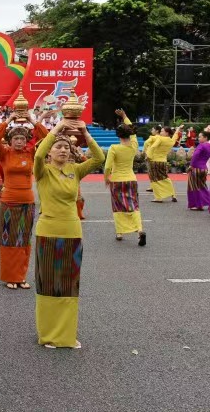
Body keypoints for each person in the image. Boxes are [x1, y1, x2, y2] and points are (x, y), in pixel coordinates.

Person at [33, 119, 104, 349]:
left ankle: (66, 335)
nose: (63, 150)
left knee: (69, 284)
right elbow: (38, 155)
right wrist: (56, 129)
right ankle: (48, 334)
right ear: (50, 151)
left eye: (66, 147)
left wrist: (85, 132)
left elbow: (99, 158)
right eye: (58, 147)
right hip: (48, 231)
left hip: (72, 232)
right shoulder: (43, 171)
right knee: (48, 283)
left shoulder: (75, 170)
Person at [0, 114, 50, 289]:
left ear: (26, 141)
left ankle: (20, 276)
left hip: (27, 203)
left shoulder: (31, 153)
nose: (19, 141)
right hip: (8, 202)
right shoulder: (4, 154)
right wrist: (9, 120)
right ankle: (10, 276)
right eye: (15, 138)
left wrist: (32, 120)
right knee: (8, 240)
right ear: (10, 140)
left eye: (22, 139)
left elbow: (47, 138)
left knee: (24, 239)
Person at [103, 109, 146, 245]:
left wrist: (106, 178)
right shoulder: (134, 146)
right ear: (130, 134)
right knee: (134, 205)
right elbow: (133, 132)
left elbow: (107, 167)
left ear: (118, 135)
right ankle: (139, 230)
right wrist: (125, 116)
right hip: (131, 179)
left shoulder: (114, 148)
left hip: (117, 180)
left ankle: (120, 232)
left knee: (118, 206)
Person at [145, 125, 183, 203]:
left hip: (154, 161)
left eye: (162, 131)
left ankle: (158, 198)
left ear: (167, 133)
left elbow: (152, 147)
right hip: (163, 162)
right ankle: (173, 195)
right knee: (165, 178)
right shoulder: (171, 141)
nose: (161, 132)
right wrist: (178, 129)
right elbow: (175, 135)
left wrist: (148, 156)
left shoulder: (160, 139)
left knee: (154, 179)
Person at [187, 131, 210, 211]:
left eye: (200, 137)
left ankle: (198, 205)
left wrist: (191, 165)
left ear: (205, 138)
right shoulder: (209, 146)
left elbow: (195, 155)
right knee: (202, 187)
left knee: (194, 187)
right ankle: (200, 204)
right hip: (204, 169)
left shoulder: (201, 145)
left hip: (196, 169)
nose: (198, 138)